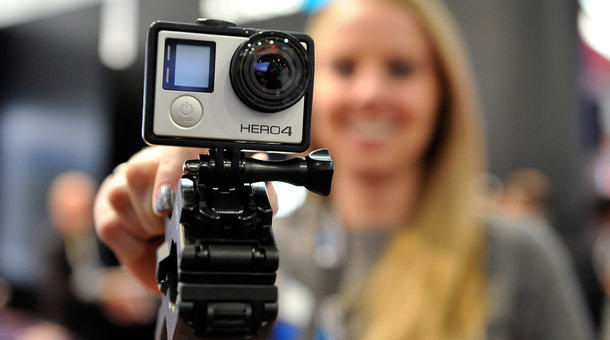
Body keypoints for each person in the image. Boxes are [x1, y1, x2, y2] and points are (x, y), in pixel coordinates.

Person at [93, 0, 593, 338]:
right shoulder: (259, 244)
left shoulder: (515, 255)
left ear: (443, 93)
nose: (370, 93)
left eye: (401, 68)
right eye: (345, 67)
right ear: (302, 91)